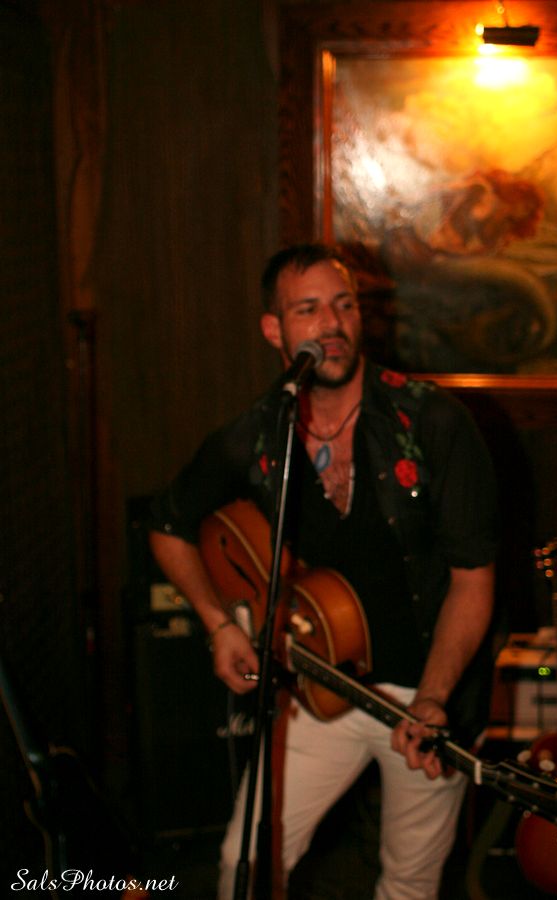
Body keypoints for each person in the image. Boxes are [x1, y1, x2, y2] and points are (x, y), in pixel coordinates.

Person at [149, 243, 497, 900]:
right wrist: (219, 625)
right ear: (274, 330)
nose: (331, 324)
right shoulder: (260, 433)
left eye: (343, 305)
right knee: (245, 863)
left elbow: (473, 581)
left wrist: (432, 699)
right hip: (321, 684)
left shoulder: (433, 422)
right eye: (308, 309)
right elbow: (168, 525)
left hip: (430, 697)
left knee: (408, 884)